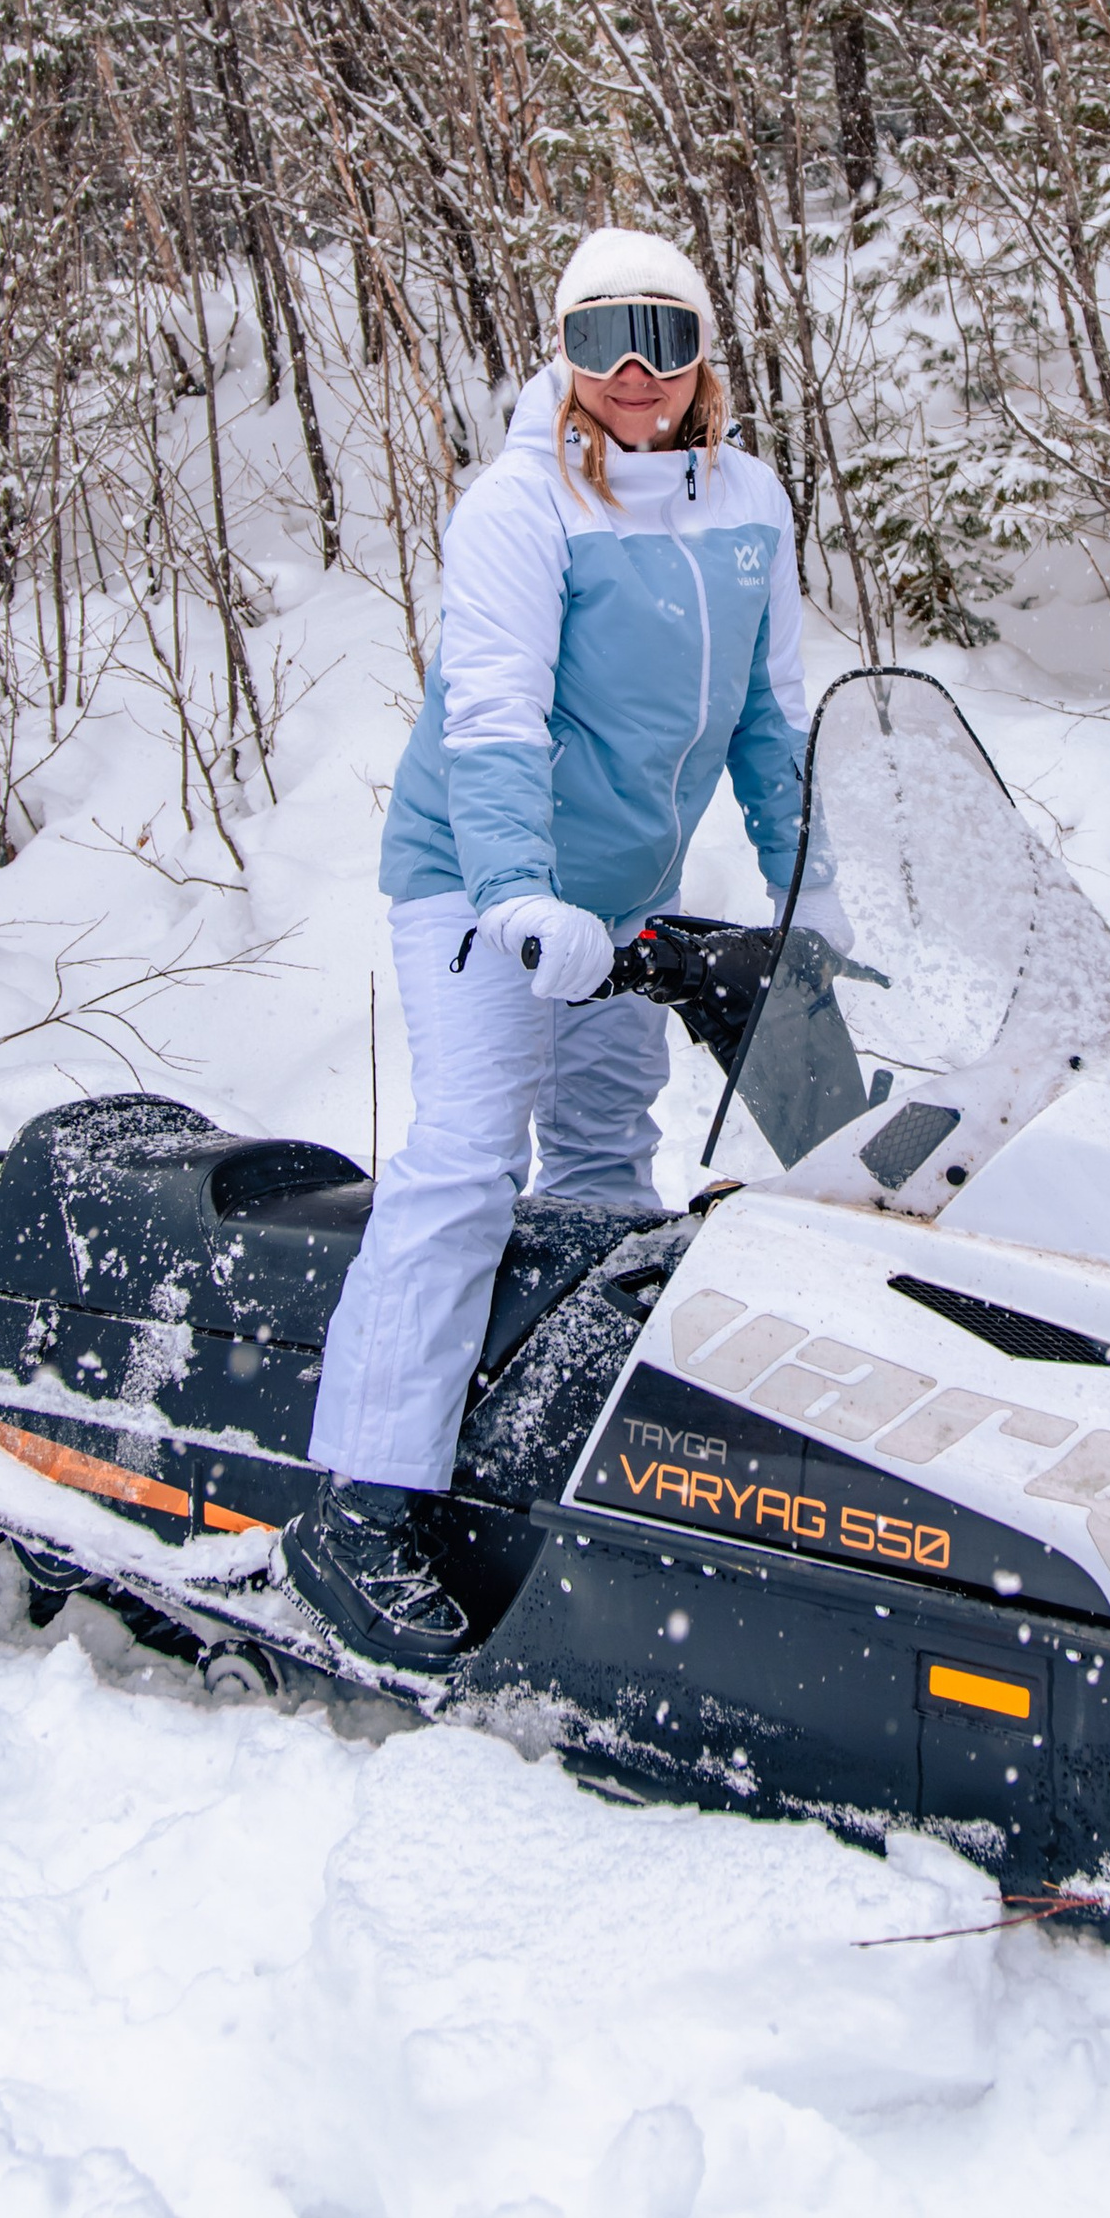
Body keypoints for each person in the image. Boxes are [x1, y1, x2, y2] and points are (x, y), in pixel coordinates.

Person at [283, 225, 814, 1669]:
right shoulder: (521, 506)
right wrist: (517, 892)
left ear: (707, 350)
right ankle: (360, 1506)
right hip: (480, 885)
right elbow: (498, 714)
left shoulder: (749, 501)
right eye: (597, 340)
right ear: (562, 359)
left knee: (602, 1160)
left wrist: (815, 883)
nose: (631, 371)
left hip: (618, 901)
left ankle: (550, 1449)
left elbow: (772, 723)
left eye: (659, 333)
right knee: (467, 1154)